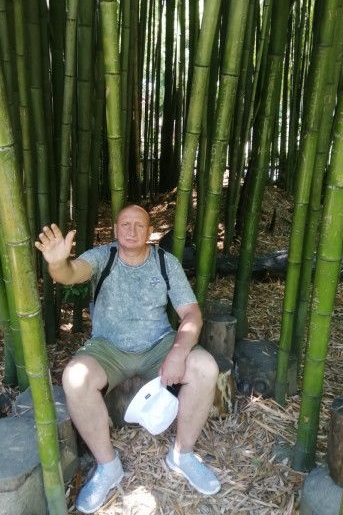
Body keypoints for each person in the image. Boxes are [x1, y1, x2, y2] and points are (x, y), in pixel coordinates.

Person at [35, 205, 221, 513]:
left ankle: (182, 454)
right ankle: (108, 466)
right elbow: (70, 273)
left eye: (139, 225)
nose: (132, 230)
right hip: (108, 348)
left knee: (205, 367)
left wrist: (178, 353)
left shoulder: (165, 262)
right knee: (74, 377)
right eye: (125, 224)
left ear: (150, 232)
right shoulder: (103, 257)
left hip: (159, 345)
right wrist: (57, 263)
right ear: (115, 230)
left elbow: (191, 314)